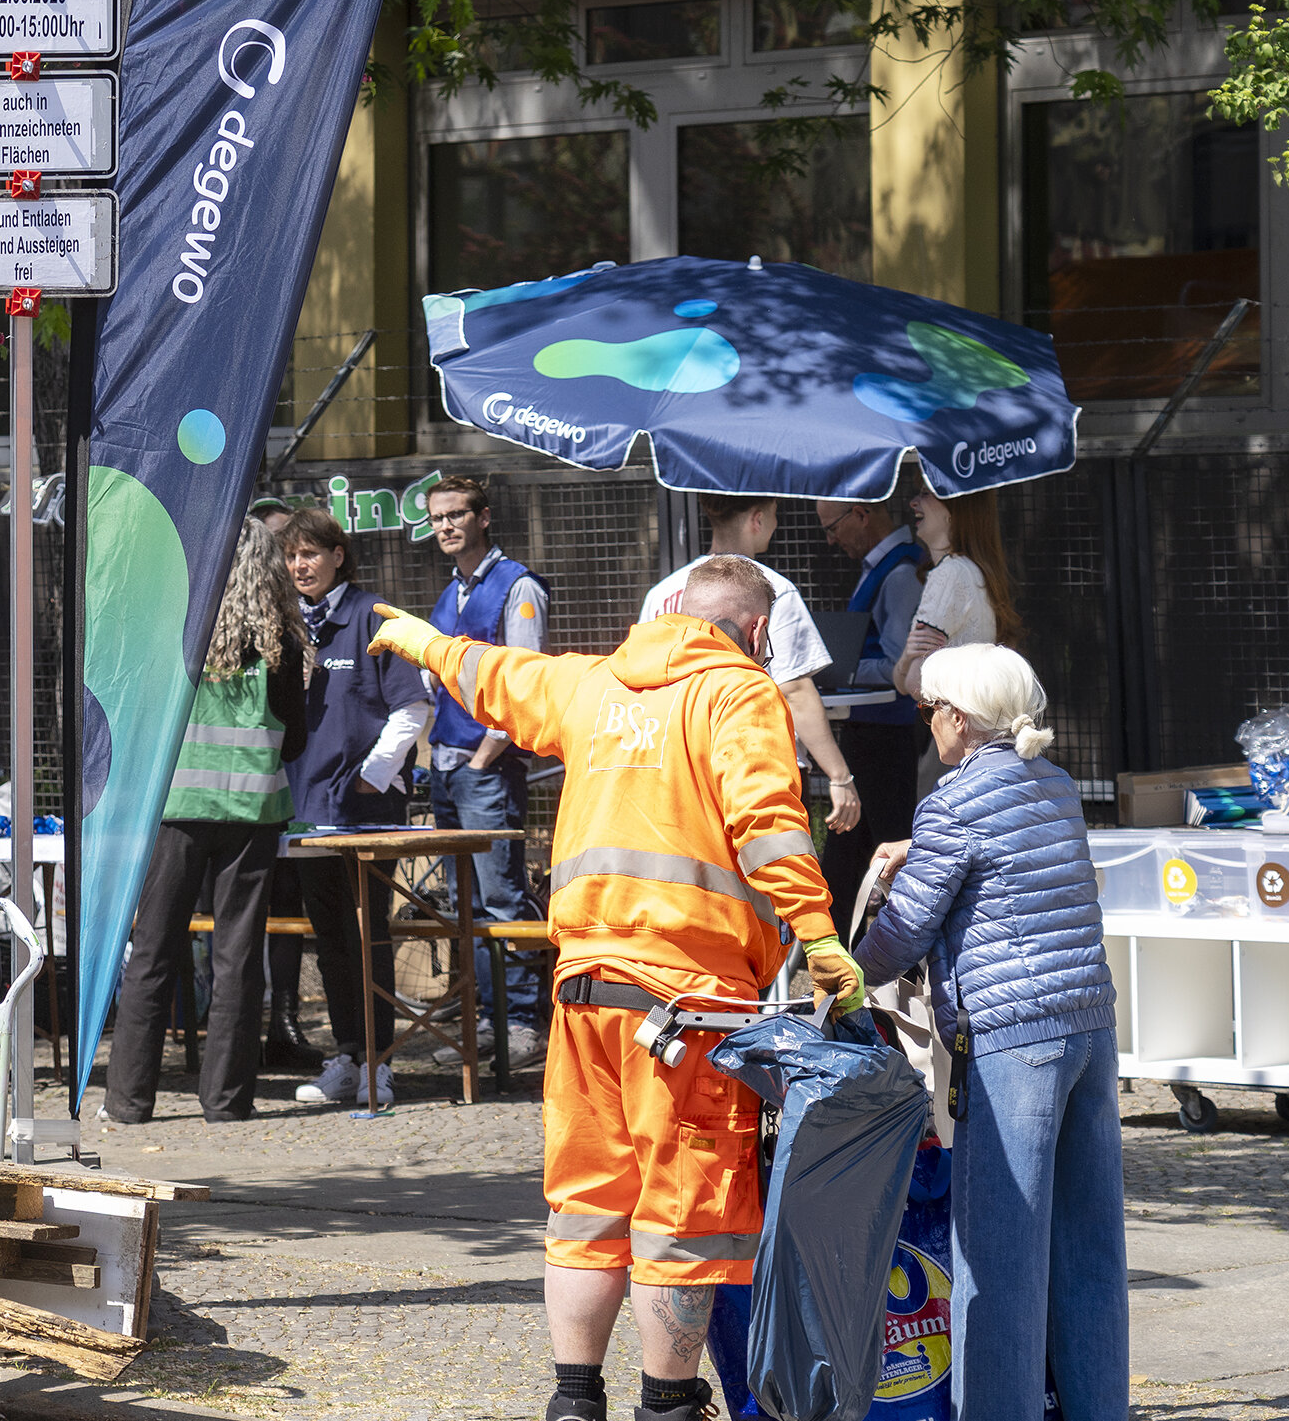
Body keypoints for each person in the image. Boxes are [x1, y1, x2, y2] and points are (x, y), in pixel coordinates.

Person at [368, 555, 864, 1421]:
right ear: (754, 632)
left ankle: (571, 1401)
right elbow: (767, 826)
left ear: (669, 610)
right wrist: (819, 936)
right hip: (688, 1006)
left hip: (584, 995)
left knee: (587, 1202)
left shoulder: (593, 683)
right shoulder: (737, 691)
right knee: (682, 1212)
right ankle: (668, 1405)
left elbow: (493, 676)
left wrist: (424, 639)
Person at [855, 645, 1121, 1421]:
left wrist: (835, 972)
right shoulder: (1055, 782)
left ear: (956, 717)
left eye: (928, 708)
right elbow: (1002, 857)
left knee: (997, 1259)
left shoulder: (950, 800)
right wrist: (923, 850)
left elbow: (902, 936)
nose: (926, 722)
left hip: (1011, 1041)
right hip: (1088, 1028)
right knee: (1089, 1251)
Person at [105, 511, 309, 1123]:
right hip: (252, 812)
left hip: (175, 812)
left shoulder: (177, 633)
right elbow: (294, 741)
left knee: (153, 951)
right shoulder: (284, 646)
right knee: (238, 956)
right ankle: (226, 1101)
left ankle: (128, 1101)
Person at [278, 508, 434, 1109]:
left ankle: (379, 1064)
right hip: (307, 810)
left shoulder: (373, 616)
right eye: (292, 556)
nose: (300, 565)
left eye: (311, 554)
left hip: (365, 812)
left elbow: (410, 708)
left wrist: (373, 776)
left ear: (338, 555)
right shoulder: (290, 624)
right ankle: (345, 1055)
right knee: (331, 939)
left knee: (367, 935)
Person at [418, 473, 551, 1060]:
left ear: (483, 517)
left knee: (501, 897)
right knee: (463, 902)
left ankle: (520, 1022)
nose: (445, 526)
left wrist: (480, 758)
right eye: (437, 517)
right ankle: (482, 1024)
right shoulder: (449, 594)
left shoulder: (516, 586)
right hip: (447, 767)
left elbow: (526, 685)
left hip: (487, 769)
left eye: (456, 515)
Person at [640, 493, 863, 838]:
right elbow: (795, 691)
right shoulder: (771, 590)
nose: (776, 525)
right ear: (757, 519)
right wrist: (839, 776)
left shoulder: (661, 593)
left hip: (680, 761)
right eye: (774, 515)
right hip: (759, 763)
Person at [817, 494, 929, 926]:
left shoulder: (900, 575)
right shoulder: (887, 570)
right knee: (845, 862)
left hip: (887, 737)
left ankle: (898, 967)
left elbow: (901, 664)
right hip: (868, 735)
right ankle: (840, 966)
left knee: (887, 855)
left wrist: (836, 666)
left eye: (832, 528)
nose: (831, 541)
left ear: (861, 515)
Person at [894, 485, 1025, 802]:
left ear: (955, 509)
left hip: (949, 739)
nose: (914, 501)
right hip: (977, 739)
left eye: (927, 492)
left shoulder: (950, 573)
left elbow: (912, 683)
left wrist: (906, 664)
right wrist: (906, 661)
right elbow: (904, 678)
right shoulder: (975, 571)